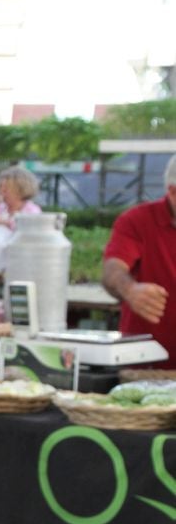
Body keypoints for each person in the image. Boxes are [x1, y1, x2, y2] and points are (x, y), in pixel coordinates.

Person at [102, 154, 176, 370]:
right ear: (172, 193)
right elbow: (112, 269)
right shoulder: (137, 221)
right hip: (144, 366)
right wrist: (130, 289)